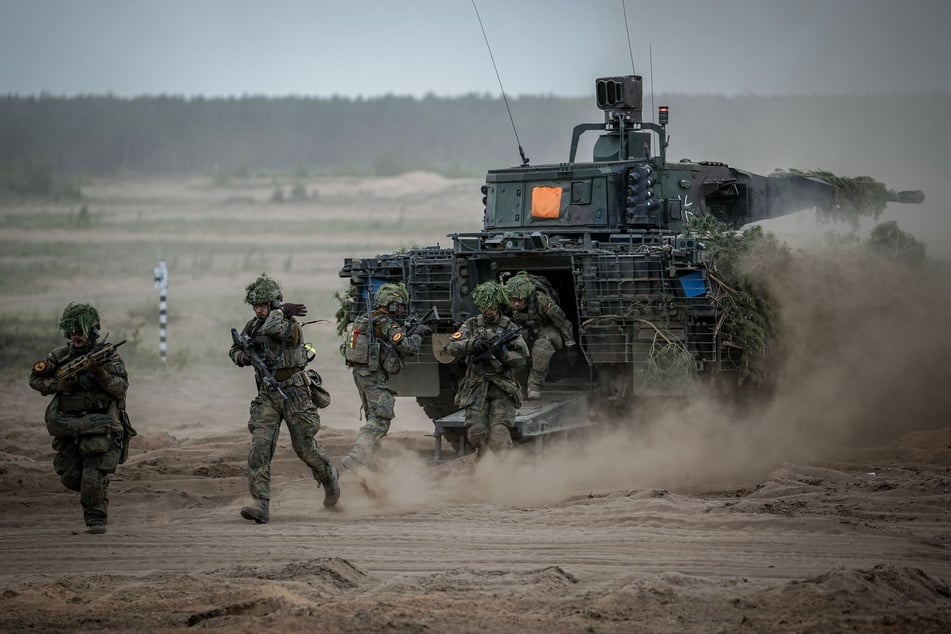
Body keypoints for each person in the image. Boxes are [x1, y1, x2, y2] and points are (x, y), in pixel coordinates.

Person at [229, 273, 339, 523]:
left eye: (264, 305)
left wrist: (280, 311)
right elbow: (234, 349)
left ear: (275, 304)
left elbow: (273, 329)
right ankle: (261, 504)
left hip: (295, 393)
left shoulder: (288, 324)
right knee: (260, 447)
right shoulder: (253, 325)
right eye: (255, 306)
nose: (258, 310)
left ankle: (329, 478)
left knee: (304, 448)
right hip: (267, 394)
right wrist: (243, 357)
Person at [28, 303, 133, 534]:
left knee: (92, 477)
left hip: (100, 425)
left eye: (81, 331)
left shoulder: (107, 356)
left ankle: (96, 520)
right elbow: (34, 379)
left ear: (93, 331)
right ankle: (93, 490)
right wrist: (57, 384)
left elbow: (121, 387)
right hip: (68, 426)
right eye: (73, 332)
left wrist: (99, 373)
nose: (77, 336)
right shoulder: (60, 356)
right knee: (70, 476)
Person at [341, 282, 430, 470]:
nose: (402, 309)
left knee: (372, 417)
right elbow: (407, 347)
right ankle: (358, 455)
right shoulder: (385, 322)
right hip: (373, 376)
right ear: (391, 305)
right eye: (399, 305)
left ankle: (371, 464)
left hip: (361, 374)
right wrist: (419, 334)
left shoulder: (364, 319)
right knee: (381, 418)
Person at [444, 281, 529, 455]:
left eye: (489, 307)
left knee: (499, 434)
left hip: (502, 387)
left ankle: (503, 468)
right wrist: (472, 344)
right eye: (483, 307)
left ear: (497, 305)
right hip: (476, 386)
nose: (486, 311)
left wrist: (503, 355)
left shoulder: (509, 328)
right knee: (476, 433)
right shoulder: (472, 324)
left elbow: (522, 359)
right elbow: (451, 347)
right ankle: (483, 462)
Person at [503, 271, 576, 399]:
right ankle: (519, 386)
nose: (516, 304)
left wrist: (571, 345)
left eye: (519, 300)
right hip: (524, 331)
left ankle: (535, 385)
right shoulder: (507, 303)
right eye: (513, 300)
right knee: (515, 349)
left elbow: (563, 323)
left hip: (547, 330)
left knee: (541, 349)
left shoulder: (542, 301)